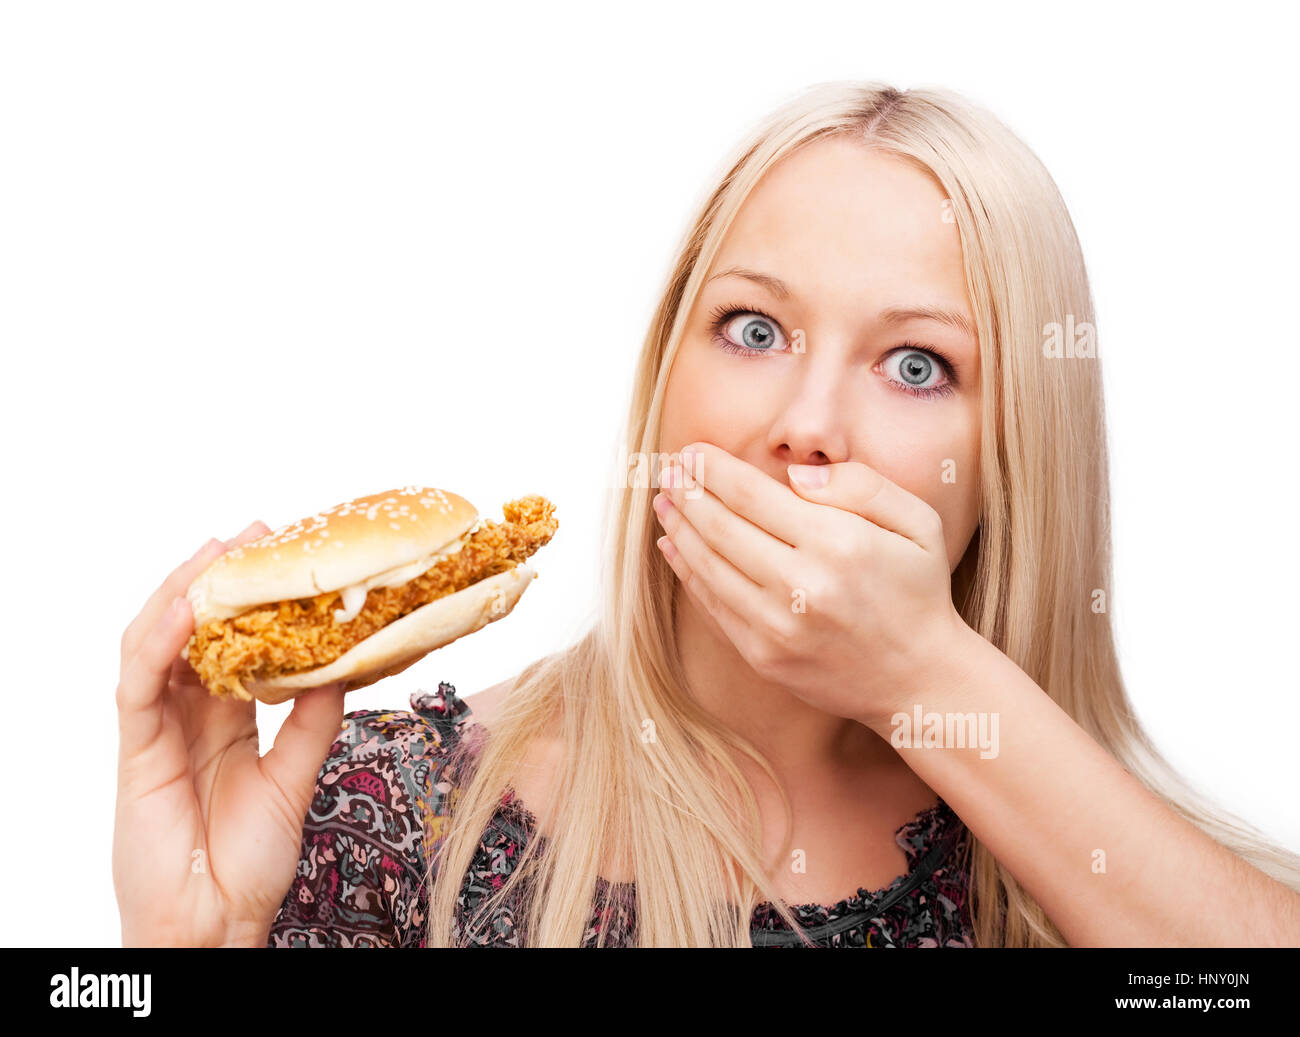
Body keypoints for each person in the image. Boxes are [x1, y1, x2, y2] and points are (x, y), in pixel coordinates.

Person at [113, 81, 1300, 949]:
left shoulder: (1098, 870)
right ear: (664, 377)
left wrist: (924, 678)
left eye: (918, 365)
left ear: (1015, 457)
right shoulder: (377, 818)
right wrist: (186, 952)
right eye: (754, 329)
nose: (805, 419)